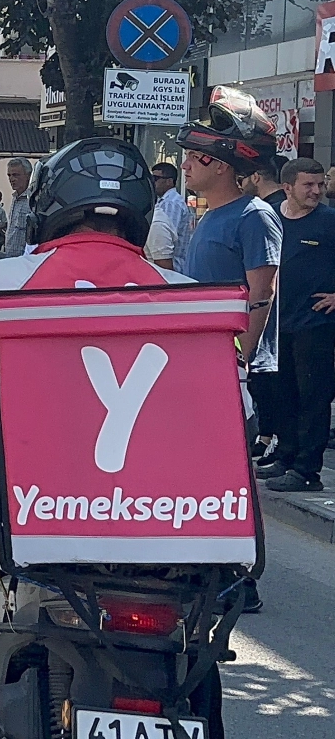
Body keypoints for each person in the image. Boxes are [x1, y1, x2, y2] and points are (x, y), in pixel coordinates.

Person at [0, 136, 228, 739]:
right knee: (193, 651)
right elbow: (244, 419)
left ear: (49, 205)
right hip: (170, 528)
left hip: (29, 521)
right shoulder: (188, 295)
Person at [179, 86, 279, 615]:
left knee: (231, 473)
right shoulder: (208, 216)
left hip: (228, 369)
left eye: (198, 158)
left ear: (223, 166)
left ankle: (244, 579)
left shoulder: (253, 216)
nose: (187, 166)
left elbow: (260, 295)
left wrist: (239, 361)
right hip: (200, 366)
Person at [259, 157, 335, 493]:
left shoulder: (330, 221)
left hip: (315, 325)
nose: (317, 191)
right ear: (287, 187)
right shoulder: (270, 219)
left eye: (320, 184)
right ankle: (286, 458)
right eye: (309, 185)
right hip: (277, 325)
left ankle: (307, 471)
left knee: (313, 399)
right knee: (282, 395)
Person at [145, 160, 194, 272]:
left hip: (171, 269)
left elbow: (163, 242)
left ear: (169, 181)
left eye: (156, 179)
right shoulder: (165, 201)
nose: (152, 182)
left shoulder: (171, 203)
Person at [3, 158, 34, 257]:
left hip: (25, 261)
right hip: (10, 258)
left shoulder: (33, 200)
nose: (11, 179)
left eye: (16, 175)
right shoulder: (15, 198)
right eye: (9, 175)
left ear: (28, 176)